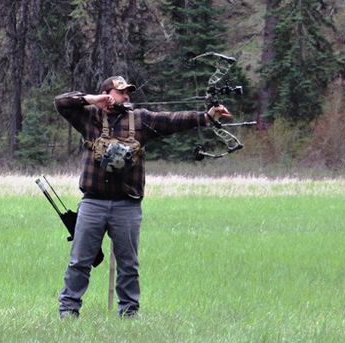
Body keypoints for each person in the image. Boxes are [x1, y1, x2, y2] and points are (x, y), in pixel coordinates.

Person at [54, 75, 231, 319]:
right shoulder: (90, 117)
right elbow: (61, 102)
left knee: (128, 265)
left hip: (127, 205)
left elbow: (172, 120)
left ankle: (129, 313)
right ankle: (68, 311)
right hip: (93, 202)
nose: (126, 97)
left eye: (128, 93)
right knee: (80, 261)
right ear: (107, 93)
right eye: (120, 92)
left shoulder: (141, 119)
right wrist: (93, 100)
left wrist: (208, 116)